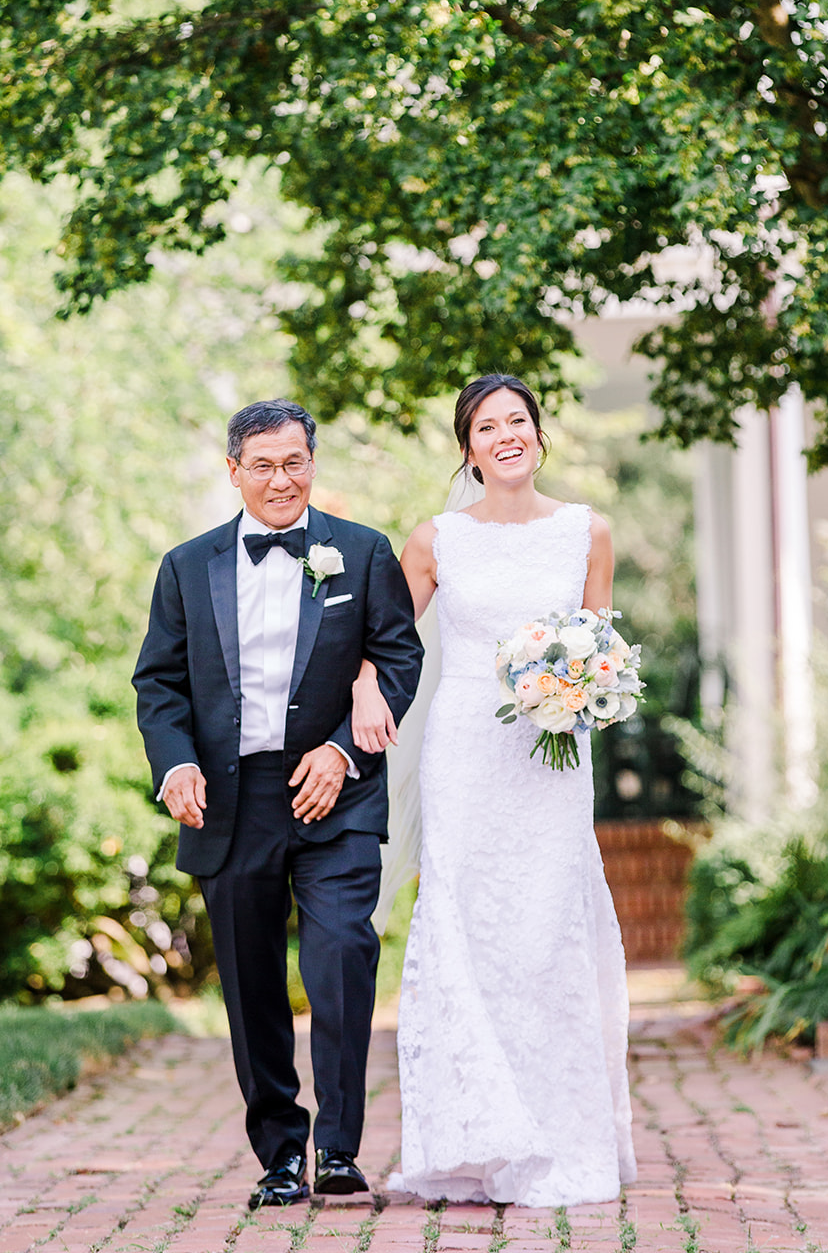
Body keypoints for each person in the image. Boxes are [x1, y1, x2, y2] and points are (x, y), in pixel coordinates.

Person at [352, 373, 637, 1206]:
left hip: (551, 758)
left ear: (539, 436)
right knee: (463, 924)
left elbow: (600, 647)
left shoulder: (589, 532)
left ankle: (556, 1137)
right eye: (486, 426)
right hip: (466, 753)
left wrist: (582, 688)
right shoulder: (434, 540)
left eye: (518, 420)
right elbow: (390, 642)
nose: (505, 435)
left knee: (547, 933)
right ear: (468, 450)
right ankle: (469, 1139)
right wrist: (368, 685)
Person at [133, 399, 424, 1210]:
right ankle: (280, 1152)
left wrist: (342, 748)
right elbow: (157, 683)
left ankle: (336, 1147)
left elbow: (399, 656)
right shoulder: (185, 567)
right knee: (252, 984)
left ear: (313, 463)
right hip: (229, 803)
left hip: (337, 791)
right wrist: (175, 764)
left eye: (293, 462)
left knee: (338, 957)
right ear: (233, 472)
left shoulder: (361, 554)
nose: (279, 479)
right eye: (261, 465)